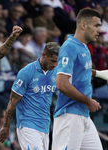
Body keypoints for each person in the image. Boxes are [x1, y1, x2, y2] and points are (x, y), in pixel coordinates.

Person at [52, 8, 108, 150]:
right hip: (69, 116)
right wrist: (88, 101)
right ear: (83, 25)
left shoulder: (83, 47)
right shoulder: (69, 47)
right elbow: (61, 84)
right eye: (96, 25)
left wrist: (101, 74)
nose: (99, 30)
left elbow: (82, 70)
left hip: (83, 115)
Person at [0, 42, 60, 150]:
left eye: (57, 62)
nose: (55, 64)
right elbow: (12, 101)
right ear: (44, 55)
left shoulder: (55, 71)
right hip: (28, 124)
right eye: (53, 61)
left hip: (45, 126)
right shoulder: (27, 72)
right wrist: (6, 126)